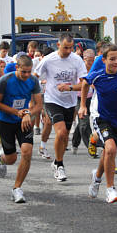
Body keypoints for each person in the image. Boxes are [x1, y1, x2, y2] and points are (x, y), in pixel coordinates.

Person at [80, 43, 117, 203]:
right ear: (104, 60)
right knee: (111, 149)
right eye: (112, 59)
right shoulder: (97, 75)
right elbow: (84, 83)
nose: (116, 62)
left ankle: (97, 177)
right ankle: (110, 189)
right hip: (100, 117)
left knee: (107, 152)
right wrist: (83, 105)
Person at [34, 33, 87, 182]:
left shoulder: (77, 60)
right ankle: (60, 166)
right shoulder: (49, 60)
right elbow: (34, 76)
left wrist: (70, 89)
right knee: (62, 132)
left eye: (71, 48)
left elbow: (84, 83)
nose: (68, 51)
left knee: (64, 138)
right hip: (52, 100)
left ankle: (57, 161)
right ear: (58, 45)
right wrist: (34, 98)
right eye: (65, 48)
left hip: (70, 102)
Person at [0, 55, 43, 203]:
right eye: (24, 72)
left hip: (24, 120)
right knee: (11, 159)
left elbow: (39, 105)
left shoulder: (33, 81)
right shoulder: (5, 81)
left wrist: (27, 113)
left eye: (29, 72)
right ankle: (2, 158)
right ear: (17, 68)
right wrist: (16, 112)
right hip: (5, 121)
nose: (27, 75)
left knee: (27, 152)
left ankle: (17, 188)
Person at [72, 49, 96, 153]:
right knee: (84, 122)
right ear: (84, 59)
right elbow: (75, 85)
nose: (90, 63)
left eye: (92, 60)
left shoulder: (95, 69)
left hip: (91, 98)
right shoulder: (79, 70)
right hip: (78, 98)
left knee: (82, 122)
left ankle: (74, 143)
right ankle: (91, 146)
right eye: (88, 60)